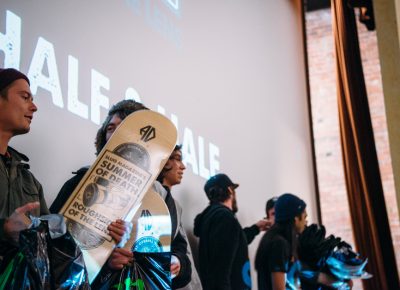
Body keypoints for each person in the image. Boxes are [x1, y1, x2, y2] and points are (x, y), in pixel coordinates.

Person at [50, 99, 193, 288]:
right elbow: (54, 246)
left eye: (125, 127)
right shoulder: (81, 182)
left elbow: (180, 255)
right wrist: (105, 261)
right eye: (111, 128)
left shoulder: (162, 198)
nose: (117, 133)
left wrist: (176, 264)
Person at [0, 68, 49, 257]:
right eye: (24, 97)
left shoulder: (30, 181)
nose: (34, 107)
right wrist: (3, 228)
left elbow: (50, 246)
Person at [193, 173, 270, 290]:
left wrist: (256, 228)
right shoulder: (225, 218)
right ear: (230, 190)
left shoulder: (213, 218)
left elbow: (234, 243)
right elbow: (221, 270)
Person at [156, 145, 202, 289]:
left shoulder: (175, 204)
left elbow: (180, 246)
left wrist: (178, 261)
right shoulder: (153, 196)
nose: (183, 167)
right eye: (177, 159)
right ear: (163, 161)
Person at [255, 193, 308, 290]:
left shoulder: (283, 241)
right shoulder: (278, 244)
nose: (305, 222)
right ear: (296, 219)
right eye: (305, 217)